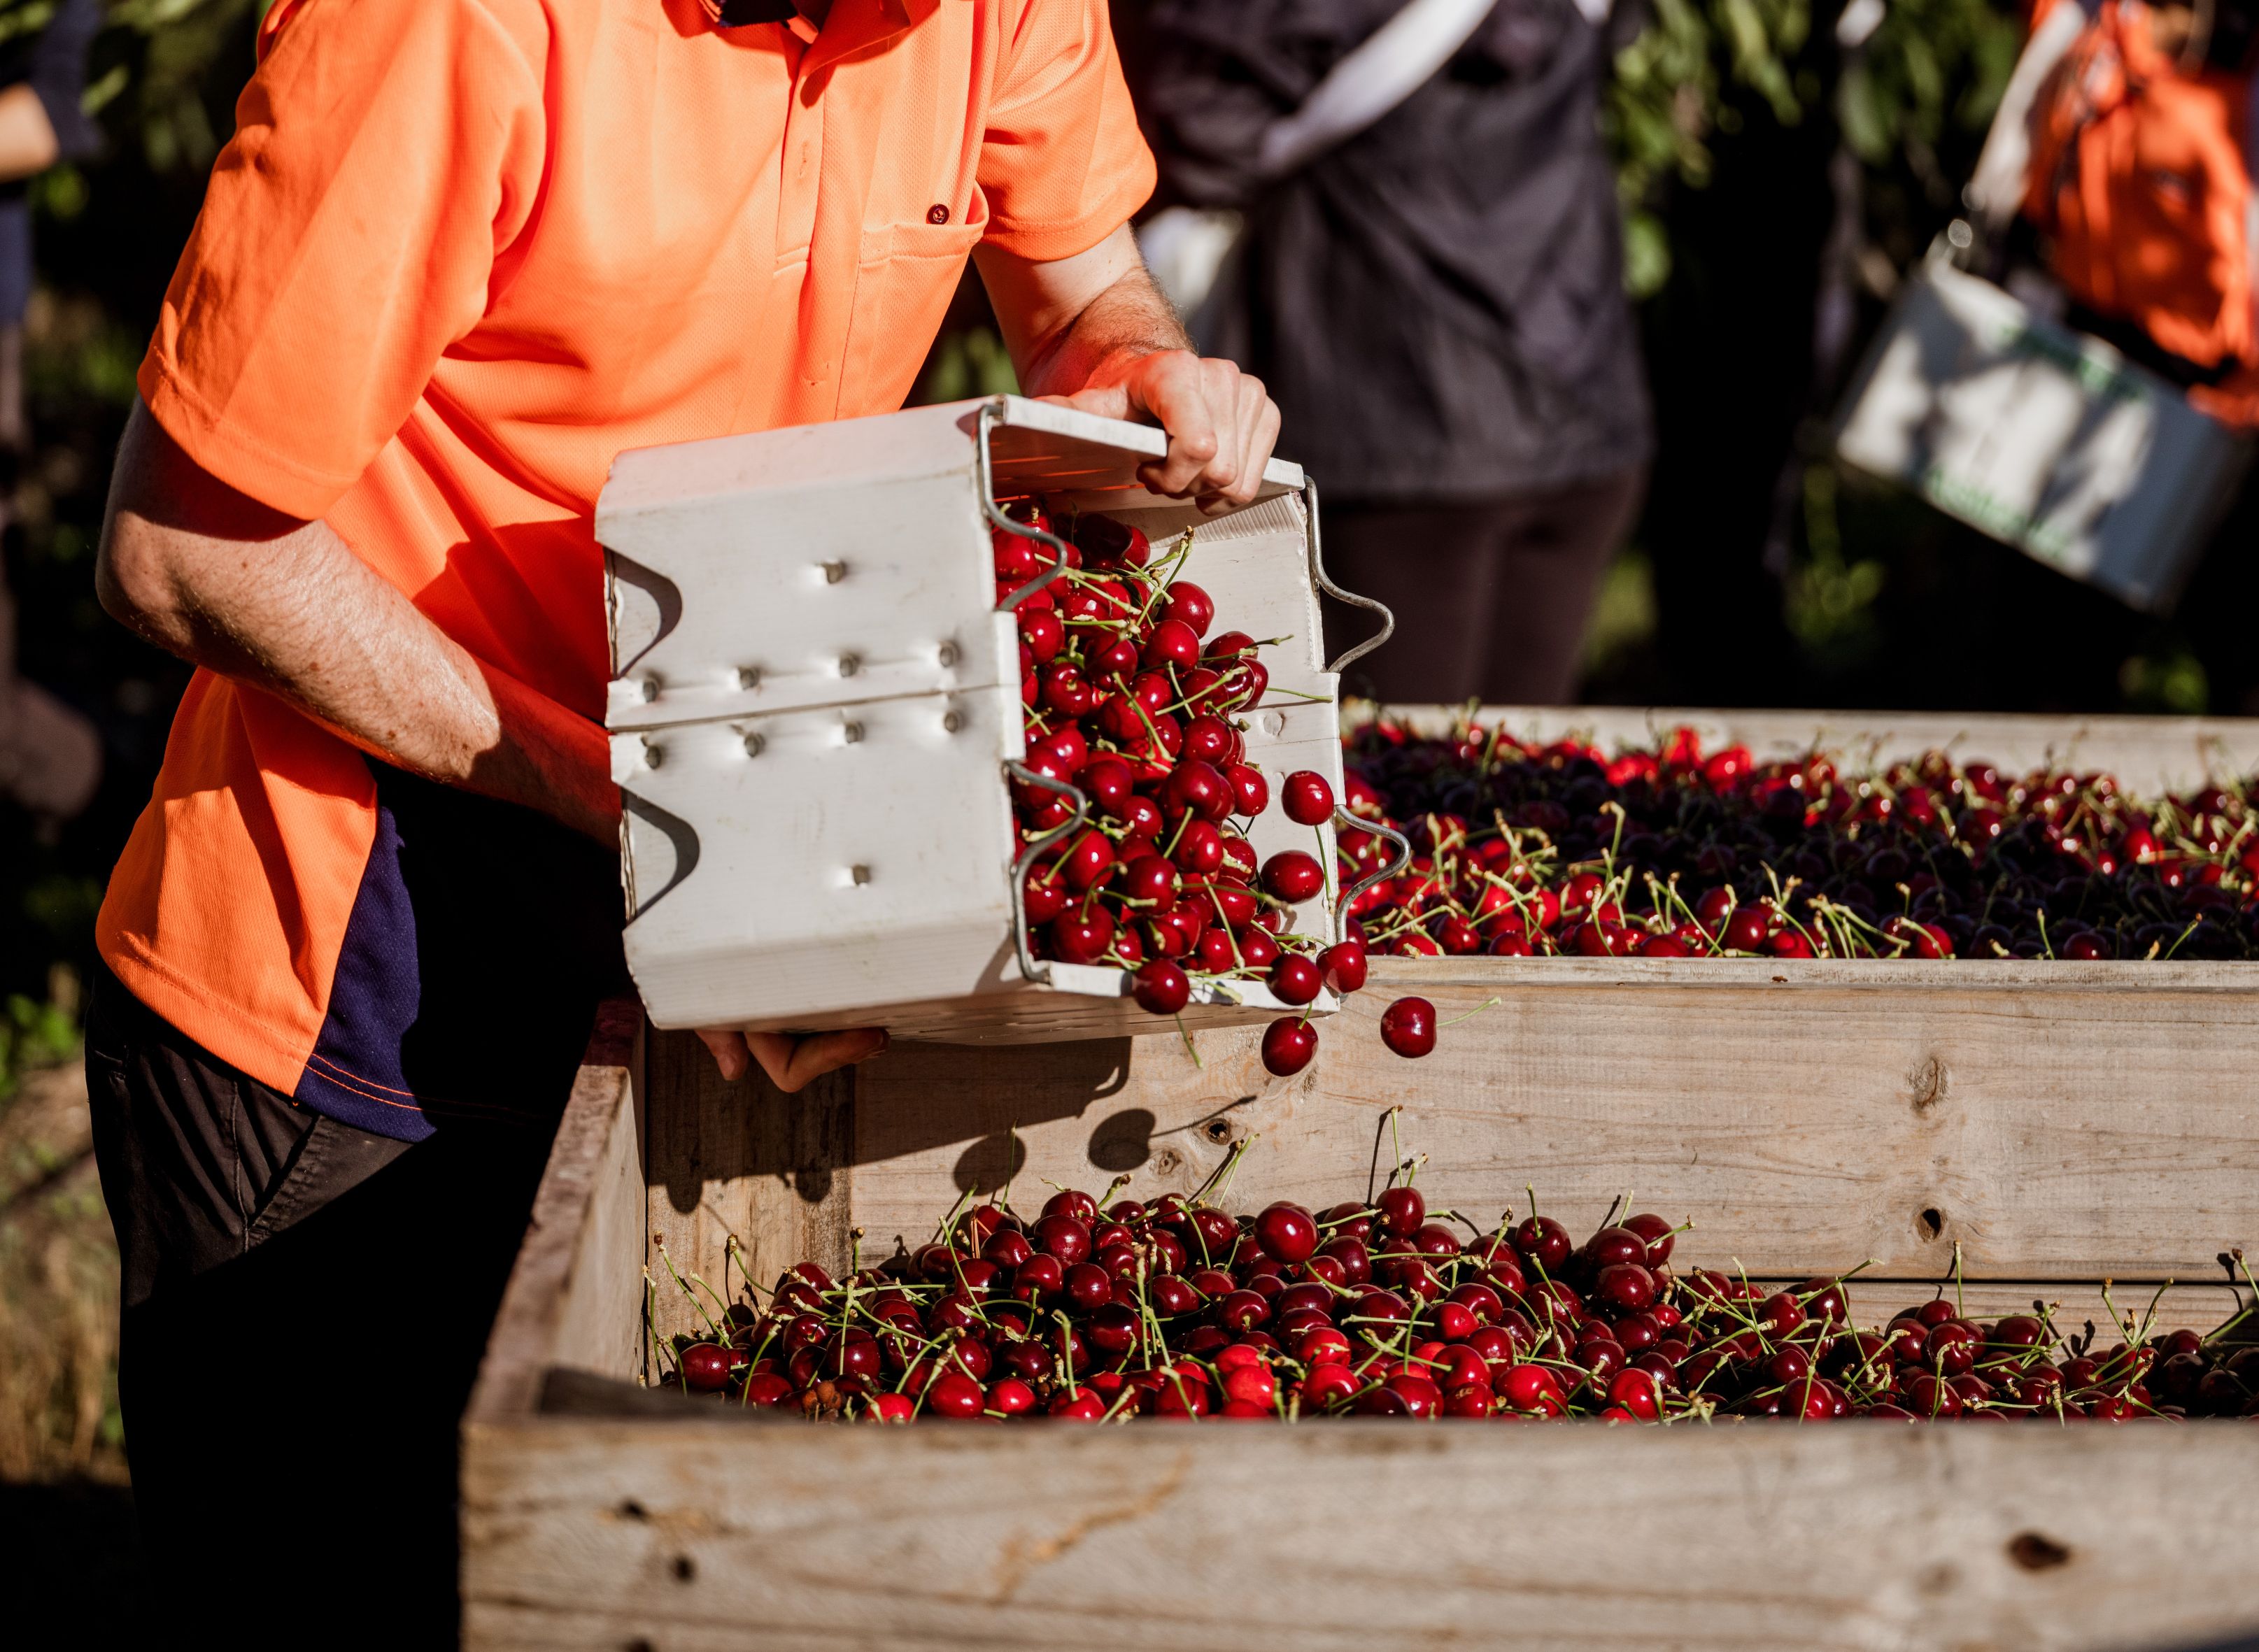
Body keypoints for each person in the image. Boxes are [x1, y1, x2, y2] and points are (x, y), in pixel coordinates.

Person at [84, 0, 1277, 1642]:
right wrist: (640, 803)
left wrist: (1138, 374)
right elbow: (180, 549)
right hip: (371, 959)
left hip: (717, 876)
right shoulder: (448, 27)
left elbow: (1077, 286)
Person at [1131, 0, 1652, 706]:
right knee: (1517, 768)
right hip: (1581, 400)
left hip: (1392, 419)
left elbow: (1199, 127)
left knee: (1398, 777)